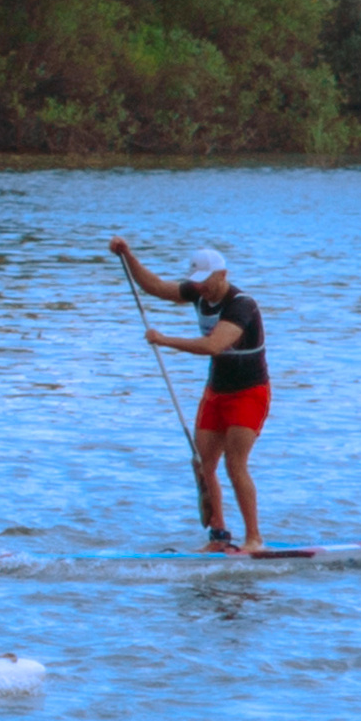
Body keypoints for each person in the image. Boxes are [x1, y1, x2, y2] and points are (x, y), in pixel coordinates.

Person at [110, 236, 270, 553]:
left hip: (249, 393)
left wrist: (163, 339)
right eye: (196, 282)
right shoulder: (199, 292)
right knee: (202, 463)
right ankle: (220, 536)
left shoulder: (242, 305)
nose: (200, 288)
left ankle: (254, 539)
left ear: (222, 275)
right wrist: (127, 255)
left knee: (235, 464)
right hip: (216, 391)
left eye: (206, 282)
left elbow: (212, 345)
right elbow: (154, 286)